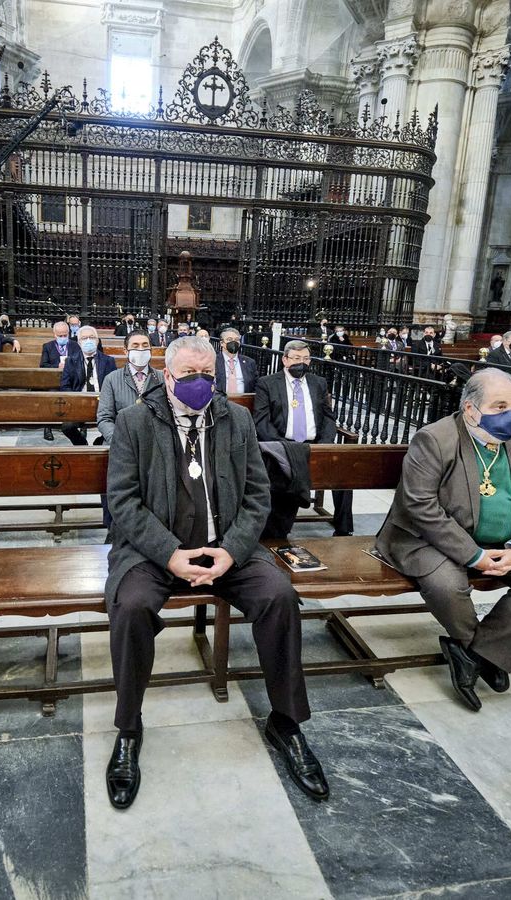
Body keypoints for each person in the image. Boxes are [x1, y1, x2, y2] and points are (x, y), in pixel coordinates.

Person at [104, 335, 327, 808]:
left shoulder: (235, 419)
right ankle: (128, 728)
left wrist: (231, 551)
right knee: (132, 606)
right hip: (154, 553)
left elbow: (257, 495)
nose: (200, 383)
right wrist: (169, 554)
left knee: (280, 596)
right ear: (168, 376)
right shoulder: (134, 421)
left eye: (208, 375)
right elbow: (122, 501)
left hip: (226, 549)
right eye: (190, 375)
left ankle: (286, 722)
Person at [374, 367, 511, 712]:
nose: (510, 415)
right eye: (499, 407)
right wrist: (474, 555)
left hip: (506, 543)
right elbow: (420, 506)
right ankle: (486, 652)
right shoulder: (436, 440)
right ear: (470, 409)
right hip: (429, 540)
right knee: (448, 586)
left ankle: (476, 655)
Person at [252, 340, 353, 536]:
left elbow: (328, 417)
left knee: (343, 470)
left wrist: (324, 445)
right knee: (278, 475)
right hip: (282, 446)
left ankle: (344, 529)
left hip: (315, 445)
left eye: (306, 359)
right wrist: (283, 446)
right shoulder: (267, 383)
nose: (302, 363)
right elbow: (262, 421)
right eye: (296, 358)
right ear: (285, 360)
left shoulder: (318, 382)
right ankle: (277, 531)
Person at [96, 331, 161, 445]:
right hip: (121, 441)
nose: (141, 350)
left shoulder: (162, 378)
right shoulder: (112, 379)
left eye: (145, 346)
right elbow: (104, 418)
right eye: (135, 346)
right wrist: (118, 441)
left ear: (150, 350)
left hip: (155, 443)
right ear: (126, 351)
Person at [60, 326, 116, 445]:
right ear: (79, 342)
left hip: (103, 402)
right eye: (84, 338)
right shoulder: (71, 361)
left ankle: (99, 442)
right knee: (67, 426)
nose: (88, 340)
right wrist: (76, 400)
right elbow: (65, 386)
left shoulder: (108, 360)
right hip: (80, 403)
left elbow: (114, 385)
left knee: (118, 422)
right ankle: (81, 444)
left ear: (97, 340)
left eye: (92, 337)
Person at [213, 327, 256, 394]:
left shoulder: (250, 362)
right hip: (219, 399)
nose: (233, 342)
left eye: (236, 339)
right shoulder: (213, 361)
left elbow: (255, 385)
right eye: (229, 339)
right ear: (222, 343)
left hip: (244, 399)